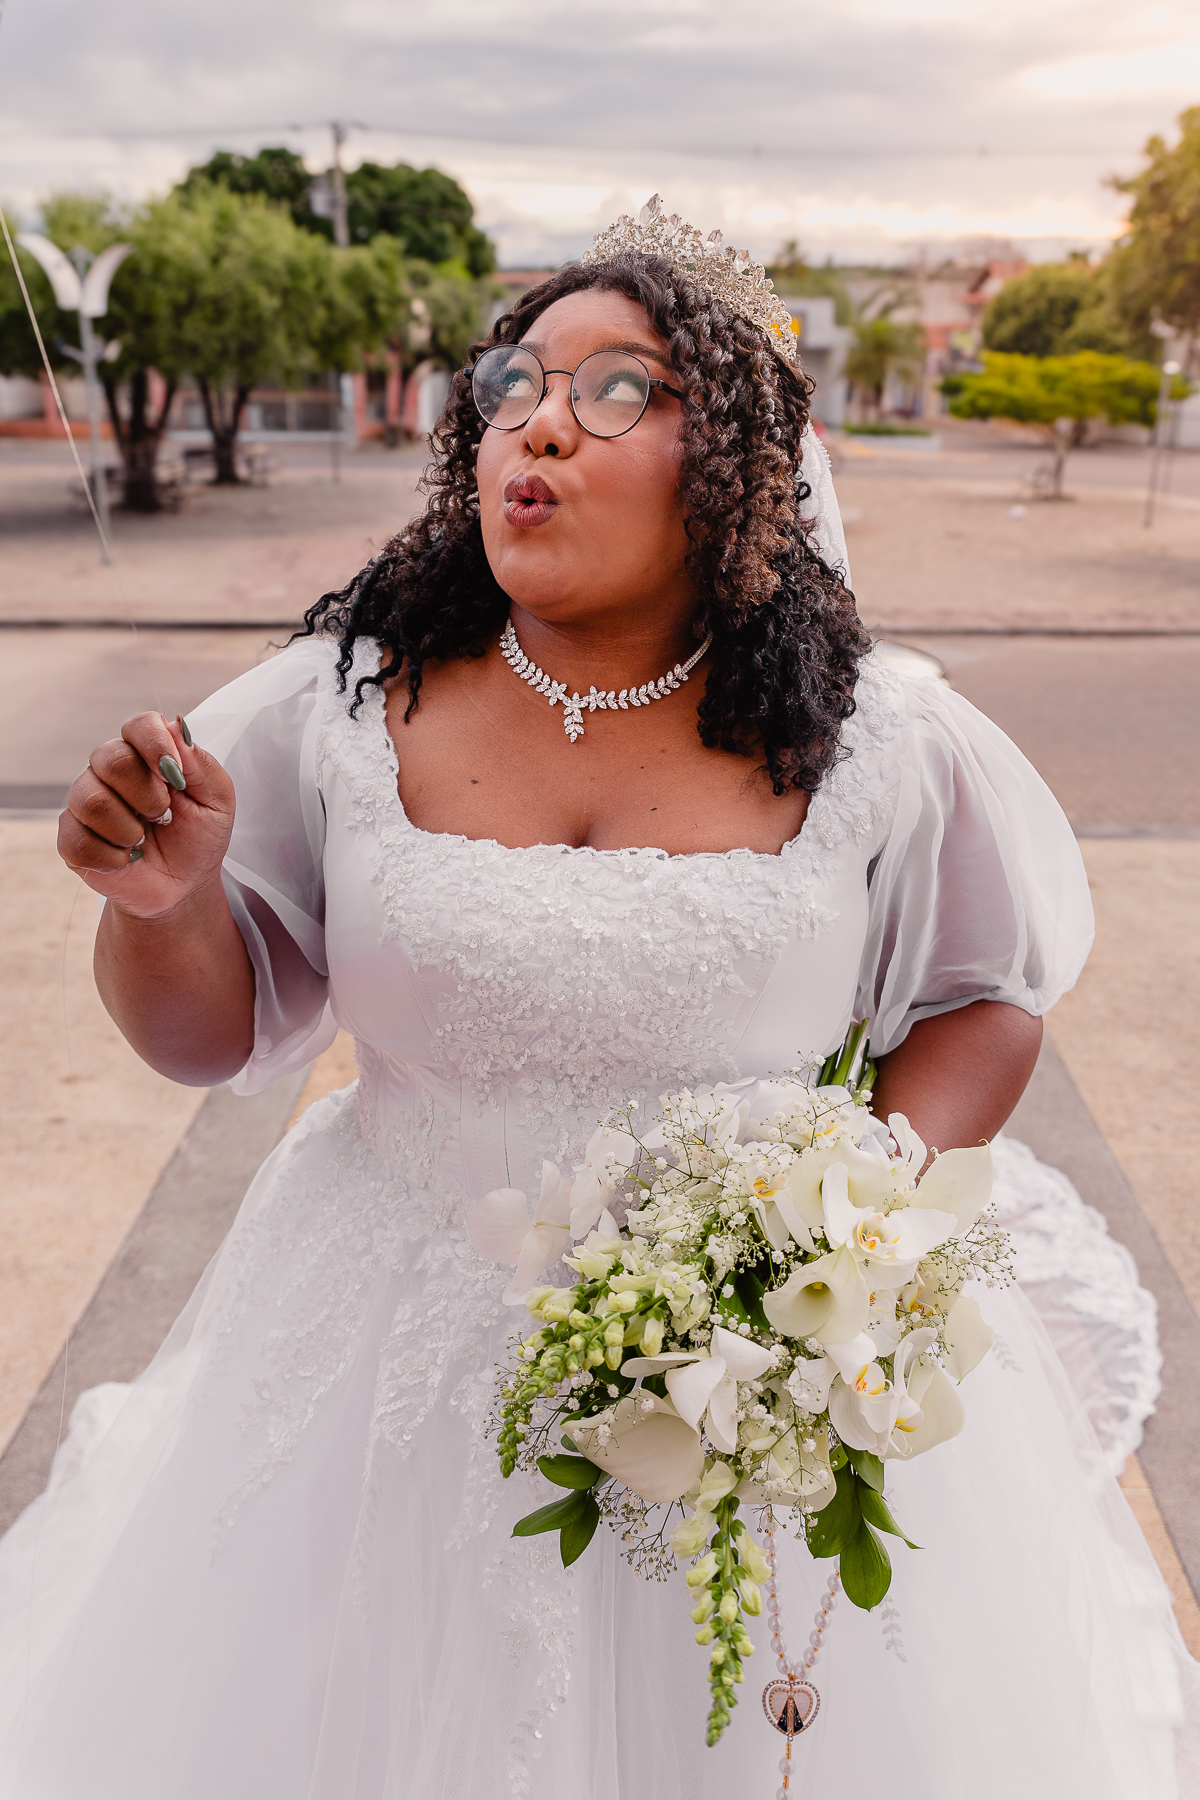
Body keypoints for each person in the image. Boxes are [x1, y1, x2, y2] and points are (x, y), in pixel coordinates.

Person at [1, 198, 1196, 1798]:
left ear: (740, 469)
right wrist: (162, 902)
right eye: (515, 385)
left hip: (747, 1388)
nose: (538, 424)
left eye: (617, 389)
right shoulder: (343, 701)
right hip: (381, 1376)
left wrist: (851, 1243)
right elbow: (204, 1036)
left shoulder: (876, 737)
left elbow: (984, 1000)